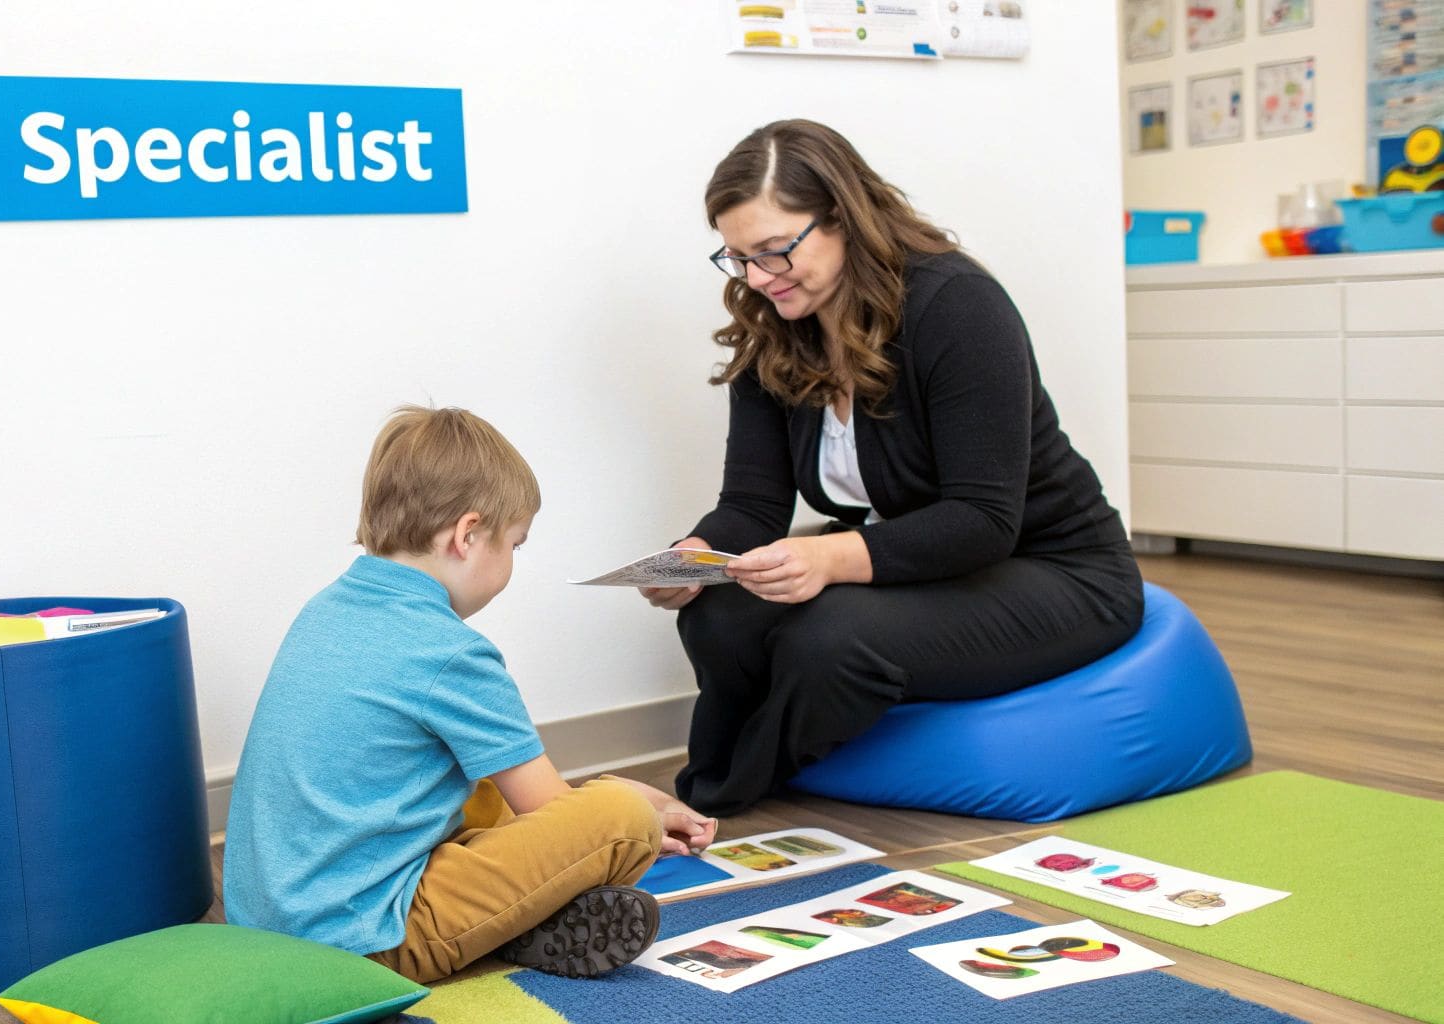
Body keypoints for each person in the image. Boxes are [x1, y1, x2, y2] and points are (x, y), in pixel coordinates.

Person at [641, 119, 1143, 816]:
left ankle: (720, 796)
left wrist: (829, 559)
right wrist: (699, 556)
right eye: (736, 258)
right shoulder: (775, 325)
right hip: (930, 566)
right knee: (721, 613)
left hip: (1057, 569)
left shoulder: (957, 306)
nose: (757, 278)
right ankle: (730, 788)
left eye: (774, 252)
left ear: (842, 219)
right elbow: (753, 506)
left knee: (830, 639)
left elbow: (983, 520)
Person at [223, 405, 719, 984]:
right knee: (623, 819)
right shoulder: (451, 652)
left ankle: (525, 923)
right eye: (514, 544)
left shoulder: (325, 610)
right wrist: (635, 799)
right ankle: (516, 921)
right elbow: (555, 814)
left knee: (476, 781)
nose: (512, 561)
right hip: (365, 940)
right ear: (467, 535)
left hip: (263, 920)